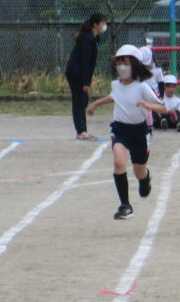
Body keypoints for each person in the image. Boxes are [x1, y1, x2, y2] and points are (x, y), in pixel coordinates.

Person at [86, 44, 168, 220]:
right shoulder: (116, 85)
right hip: (120, 129)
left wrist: (148, 105)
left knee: (139, 171)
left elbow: (163, 107)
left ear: (135, 64)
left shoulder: (142, 87)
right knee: (118, 162)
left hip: (139, 132)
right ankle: (125, 206)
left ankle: (145, 178)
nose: (121, 66)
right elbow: (113, 97)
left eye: (125, 62)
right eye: (119, 62)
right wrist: (95, 104)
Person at [65, 12, 107, 140]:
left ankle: (82, 130)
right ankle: (81, 131)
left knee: (82, 101)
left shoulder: (92, 38)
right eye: (102, 23)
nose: (104, 25)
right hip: (76, 74)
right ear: (95, 24)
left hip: (79, 73)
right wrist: (85, 82)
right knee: (79, 101)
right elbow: (85, 62)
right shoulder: (87, 39)